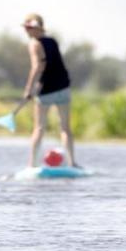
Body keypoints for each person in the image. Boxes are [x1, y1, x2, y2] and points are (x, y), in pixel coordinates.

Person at [21, 13, 78, 168]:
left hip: (46, 91)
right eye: (26, 28)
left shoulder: (34, 44)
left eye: (29, 28)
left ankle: (31, 165)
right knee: (65, 128)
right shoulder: (52, 41)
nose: (27, 31)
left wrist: (28, 89)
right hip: (63, 87)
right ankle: (72, 163)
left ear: (36, 28)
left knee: (39, 127)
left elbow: (38, 66)